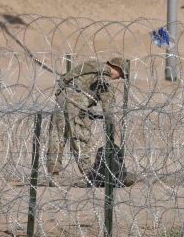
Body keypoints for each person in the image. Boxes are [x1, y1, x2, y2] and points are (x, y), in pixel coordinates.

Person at [46, 55, 135, 186]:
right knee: (80, 138)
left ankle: (54, 176)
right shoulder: (105, 73)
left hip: (61, 98)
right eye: (120, 75)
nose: (118, 78)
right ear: (117, 68)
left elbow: (68, 80)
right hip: (75, 102)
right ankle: (90, 175)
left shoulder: (91, 65)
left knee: (57, 137)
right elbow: (107, 101)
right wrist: (110, 124)